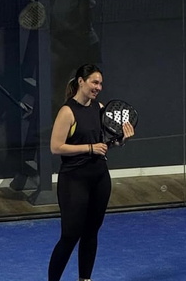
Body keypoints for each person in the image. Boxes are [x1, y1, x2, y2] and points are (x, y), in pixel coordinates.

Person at [48, 63, 134, 281]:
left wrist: (122, 140)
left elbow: (105, 144)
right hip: (73, 180)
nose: (98, 87)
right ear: (81, 82)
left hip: (99, 178)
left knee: (91, 231)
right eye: (95, 82)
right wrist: (89, 148)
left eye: (101, 84)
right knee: (70, 235)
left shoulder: (100, 108)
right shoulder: (67, 112)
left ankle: (85, 279)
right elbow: (56, 147)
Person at [50, 0, 101, 116]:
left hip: (85, 47)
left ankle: (91, 119)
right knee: (58, 84)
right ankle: (60, 119)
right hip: (65, 47)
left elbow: (84, 23)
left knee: (88, 87)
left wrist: (64, 32)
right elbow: (53, 16)